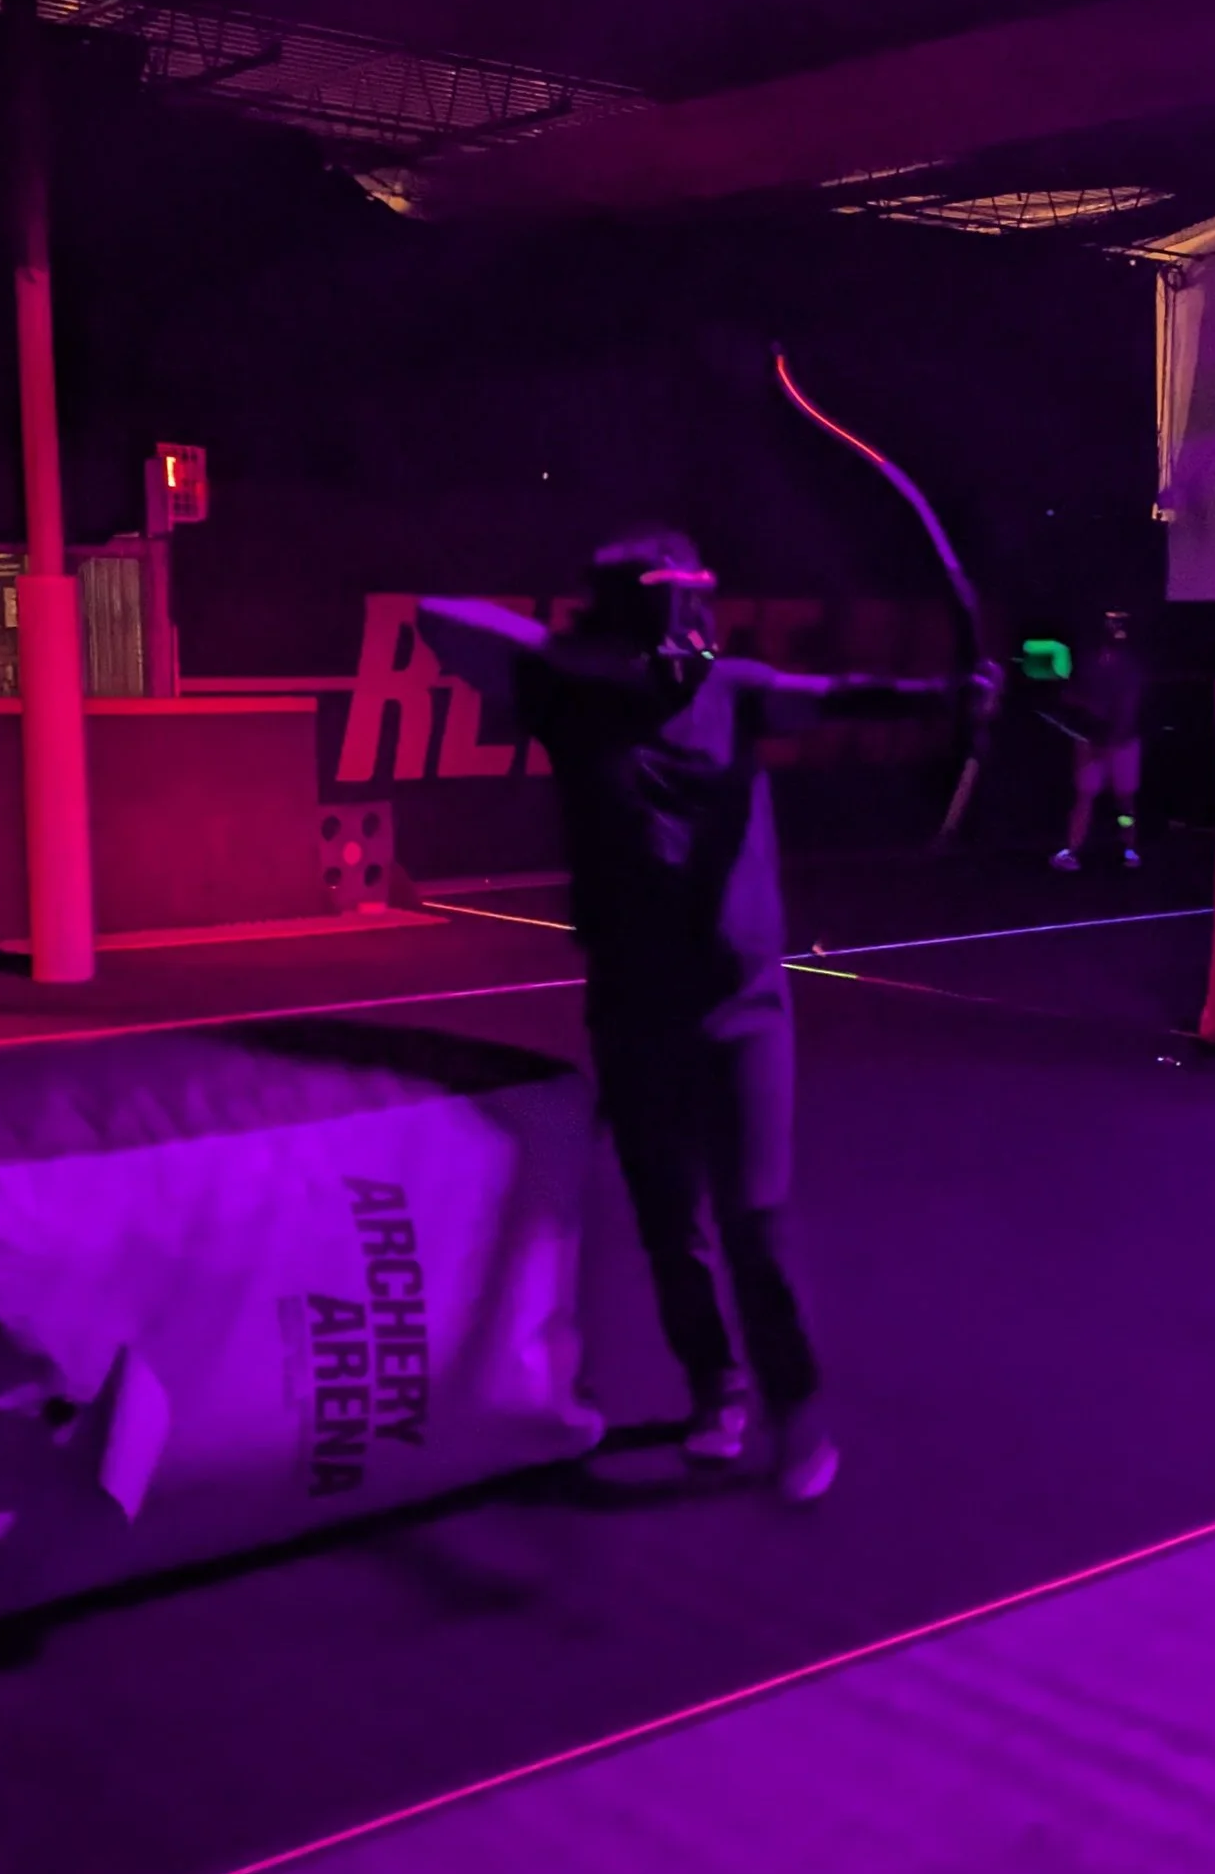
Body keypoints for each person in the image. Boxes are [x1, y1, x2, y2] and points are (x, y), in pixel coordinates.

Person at [420, 535, 993, 1501]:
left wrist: (950, 699)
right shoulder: (570, 696)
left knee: (754, 1217)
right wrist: (592, 655)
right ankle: (715, 1388)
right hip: (633, 1005)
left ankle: (797, 1412)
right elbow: (441, 614)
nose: (690, 631)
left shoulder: (736, 689)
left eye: (696, 608)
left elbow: (845, 694)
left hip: (741, 1008)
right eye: (670, 612)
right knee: (667, 1221)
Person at [1051, 607, 1146, 872]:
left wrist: (1110, 742)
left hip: (1122, 744)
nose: (1116, 628)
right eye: (1111, 623)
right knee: (1084, 796)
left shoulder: (1131, 666)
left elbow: (1128, 708)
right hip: (1089, 743)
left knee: (1125, 801)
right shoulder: (1087, 661)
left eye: (1120, 623)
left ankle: (1129, 848)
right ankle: (1072, 850)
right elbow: (1069, 695)